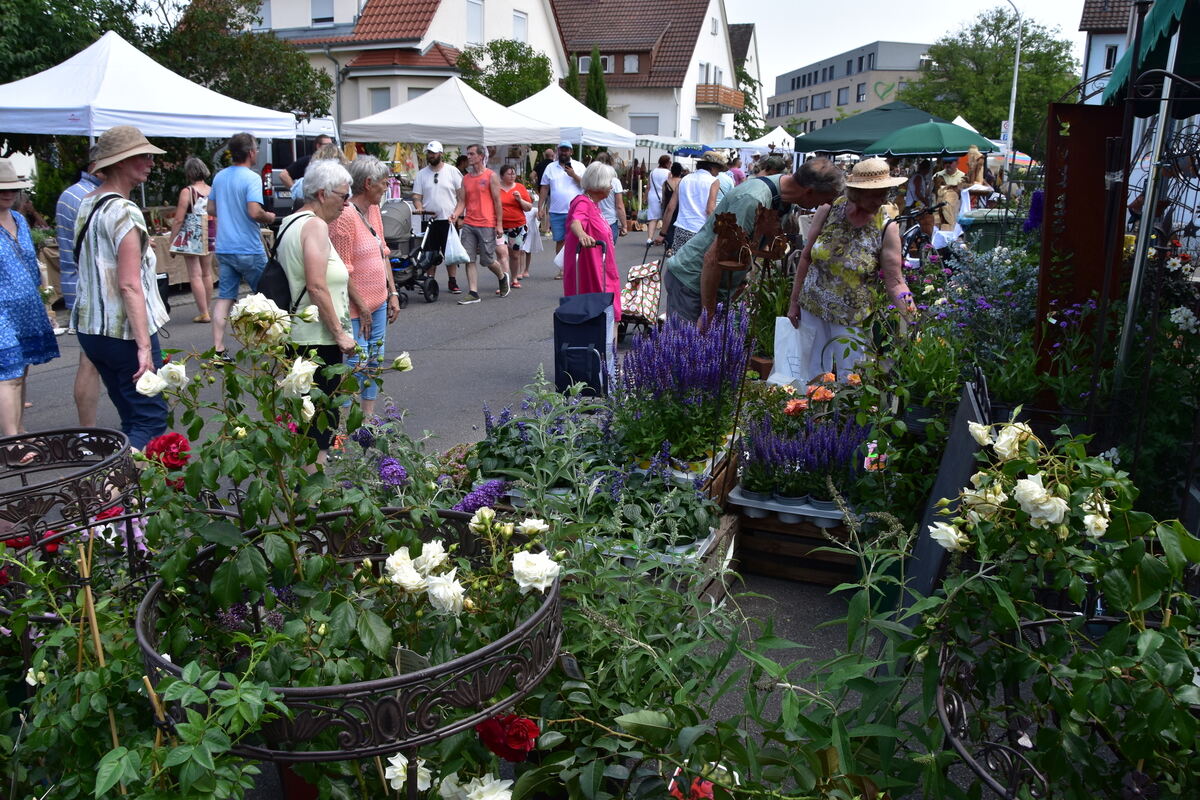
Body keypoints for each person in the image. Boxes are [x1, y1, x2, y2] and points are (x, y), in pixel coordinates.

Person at [71, 126, 170, 450]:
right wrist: (144, 347)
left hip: (91, 330)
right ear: (118, 162)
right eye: (141, 156)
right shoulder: (125, 211)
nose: (150, 162)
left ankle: (128, 499)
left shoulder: (88, 202)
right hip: (123, 332)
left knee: (131, 418)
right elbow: (128, 285)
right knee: (151, 422)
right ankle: (106, 495)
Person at [665, 157, 844, 324]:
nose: (823, 205)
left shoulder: (783, 198)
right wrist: (708, 314)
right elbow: (712, 259)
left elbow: (749, 243)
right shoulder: (753, 199)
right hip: (691, 283)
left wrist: (743, 276)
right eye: (826, 199)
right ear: (810, 191)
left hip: (714, 286)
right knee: (686, 350)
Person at [785, 158, 915, 380]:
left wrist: (913, 319)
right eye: (875, 193)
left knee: (852, 379)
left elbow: (895, 281)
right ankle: (807, 413)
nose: (882, 199)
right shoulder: (829, 209)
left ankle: (844, 416)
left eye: (885, 192)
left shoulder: (887, 227)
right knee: (810, 374)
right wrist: (794, 302)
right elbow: (806, 257)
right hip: (812, 305)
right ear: (856, 192)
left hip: (852, 316)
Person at [278, 159, 357, 465]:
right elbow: (316, 284)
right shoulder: (315, 225)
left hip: (298, 335)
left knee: (304, 422)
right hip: (317, 340)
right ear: (323, 194)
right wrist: (339, 333)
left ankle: (303, 492)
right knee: (319, 427)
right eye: (343, 196)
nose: (346, 204)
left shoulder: (289, 222)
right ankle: (314, 498)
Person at [329, 156, 401, 418]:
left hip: (379, 301)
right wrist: (361, 305)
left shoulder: (373, 210)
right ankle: (344, 424)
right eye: (383, 183)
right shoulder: (344, 217)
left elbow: (383, 253)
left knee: (375, 359)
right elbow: (341, 269)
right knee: (354, 364)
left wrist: (392, 293)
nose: (386, 187)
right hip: (355, 306)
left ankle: (368, 419)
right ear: (368, 183)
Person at [0, 159, 59, 439]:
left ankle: (20, 432)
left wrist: (45, 302)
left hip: (26, 306)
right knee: (8, 373)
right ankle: (12, 442)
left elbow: (31, 263)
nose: (7, 193)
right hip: (2, 309)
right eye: (1, 188)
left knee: (21, 371)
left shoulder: (20, 220)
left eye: (11, 188)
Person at [209, 132, 276, 358]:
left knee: (225, 298)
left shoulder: (220, 177)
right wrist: (270, 217)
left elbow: (210, 209)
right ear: (250, 152)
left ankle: (218, 348)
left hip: (225, 247)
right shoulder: (251, 177)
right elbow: (254, 212)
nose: (257, 152)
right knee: (266, 297)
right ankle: (270, 346)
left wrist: (229, 212)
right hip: (248, 247)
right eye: (256, 149)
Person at [56, 147, 103, 426]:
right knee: (90, 361)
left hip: (79, 286)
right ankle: (87, 432)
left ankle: (89, 431)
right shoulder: (84, 196)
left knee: (92, 360)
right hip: (88, 288)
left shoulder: (73, 193)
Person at [563, 162, 622, 323]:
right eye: (609, 183)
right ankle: (607, 346)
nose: (611, 187)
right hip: (592, 270)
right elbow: (576, 221)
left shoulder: (593, 204)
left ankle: (608, 346)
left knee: (608, 311)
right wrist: (582, 235)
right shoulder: (583, 202)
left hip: (601, 267)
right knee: (605, 312)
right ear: (599, 184)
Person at [456, 144, 509, 305]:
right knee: (468, 258)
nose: (469, 157)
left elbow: (497, 202)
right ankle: (473, 292)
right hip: (469, 223)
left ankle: (502, 276)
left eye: (472, 154)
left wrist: (499, 225)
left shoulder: (490, 176)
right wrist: (455, 214)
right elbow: (462, 201)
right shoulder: (465, 178)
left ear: (480, 156)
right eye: (468, 154)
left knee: (487, 260)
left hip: (487, 223)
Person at [411, 141, 464, 294]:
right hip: (429, 220)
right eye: (429, 153)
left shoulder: (452, 171)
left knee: (450, 251)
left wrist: (459, 215)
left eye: (433, 153)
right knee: (429, 251)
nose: (431, 155)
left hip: (448, 218)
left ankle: (452, 281)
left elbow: (461, 196)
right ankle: (429, 281)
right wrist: (419, 207)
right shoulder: (422, 174)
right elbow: (416, 196)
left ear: (440, 153)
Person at [167, 156, 215, 323]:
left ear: (189, 173)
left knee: (195, 274)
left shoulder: (187, 192)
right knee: (207, 273)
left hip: (193, 233)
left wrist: (172, 241)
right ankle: (207, 309)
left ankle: (203, 312)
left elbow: (179, 219)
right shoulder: (212, 190)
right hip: (210, 230)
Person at [658, 151, 726, 256]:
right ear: (712, 167)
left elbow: (670, 208)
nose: (718, 173)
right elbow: (710, 210)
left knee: (678, 264)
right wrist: (719, 230)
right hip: (700, 231)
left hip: (681, 229)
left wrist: (663, 233)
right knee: (696, 267)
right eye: (719, 169)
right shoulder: (713, 181)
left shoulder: (684, 179)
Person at [538, 141, 585, 263]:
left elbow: (586, 185)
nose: (564, 152)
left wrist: (573, 174)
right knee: (560, 240)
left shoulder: (579, 166)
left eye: (566, 150)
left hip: (576, 212)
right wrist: (540, 207)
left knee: (576, 239)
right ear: (557, 151)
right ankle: (562, 268)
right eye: (561, 150)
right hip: (556, 210)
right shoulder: (550, 167)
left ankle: (575, 266)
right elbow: (544, 187)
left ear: (571, 152)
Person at [498, 165, 532, 286]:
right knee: (503, 254)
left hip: (518, 225)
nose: (512, 176)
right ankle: (504, 282)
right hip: (500, 226)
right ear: (502, 176)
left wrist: (519, 200)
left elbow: (528, 208)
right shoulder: (496, 188)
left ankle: (514, 278)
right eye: (509, 174)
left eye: (513, 174)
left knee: (515, 254)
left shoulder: (520, 188)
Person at [593, 152, 627, 244]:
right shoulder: (614, 181)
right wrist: (624, 225)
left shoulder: (592, 180)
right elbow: (619, 206)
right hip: (610, 221)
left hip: (594, 221)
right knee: (608, 252)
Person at [932, 156, 965, 230]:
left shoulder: (963, 176)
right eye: (945, 163)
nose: (947, 165)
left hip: (955, 210)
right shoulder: (937, 175)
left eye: (950, 162)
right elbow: (932, 193)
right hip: (939, 210)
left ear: (957, 163)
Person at [645, 154, 671, 244]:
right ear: (667, 163)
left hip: (653, 196)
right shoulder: (668, 173)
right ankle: (663, 237)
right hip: (664, 196)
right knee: (666, 217)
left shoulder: (653, 172)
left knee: (653, 218)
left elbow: (648, 186)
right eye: (670, 162)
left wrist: (645, 197)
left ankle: (649, 238)